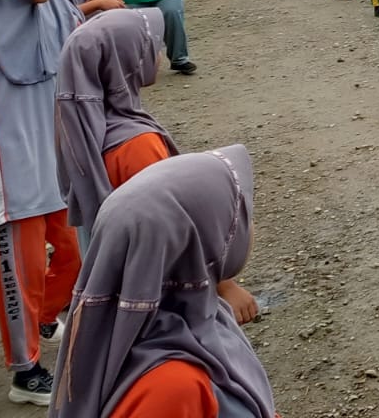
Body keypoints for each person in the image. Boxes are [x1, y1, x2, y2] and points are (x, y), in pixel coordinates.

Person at [50, 145, 275, 418]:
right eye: (239, 214)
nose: (248, 225)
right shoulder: (173, 388)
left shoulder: (198, 316)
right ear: (203, 243)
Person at [0, 0, 82, 405]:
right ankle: (24, 373)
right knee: (19, 276)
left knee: (76, 254)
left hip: (53, 164)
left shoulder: (55, 11)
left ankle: (45, 318)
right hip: (9, 177)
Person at [53, 7, 176, 241]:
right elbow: (166, 228)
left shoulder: (80, 131)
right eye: (149, 46)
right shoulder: (138, 144)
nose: (158, 54)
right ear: (126, 61)